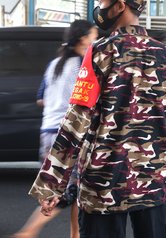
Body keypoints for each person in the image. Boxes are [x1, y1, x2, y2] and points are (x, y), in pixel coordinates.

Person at [28, 0, 166, 238]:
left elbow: (75, 123)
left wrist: (51, 185)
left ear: (120, 5)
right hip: (153, 185)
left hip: (102, 186)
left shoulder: (99, 52)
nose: (99, 8)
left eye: (103, 1)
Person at [12, 20, 98, 238]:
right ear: (83, 39)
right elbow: (88, 101)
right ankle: (29, 231)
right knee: (69, 192)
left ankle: (75, 235)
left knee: (72, 190)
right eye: (94, 35)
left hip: (48, 132)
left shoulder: (55, 64)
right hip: (69, 134)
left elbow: (41, 99)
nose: (96, 39)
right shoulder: (83, 64)